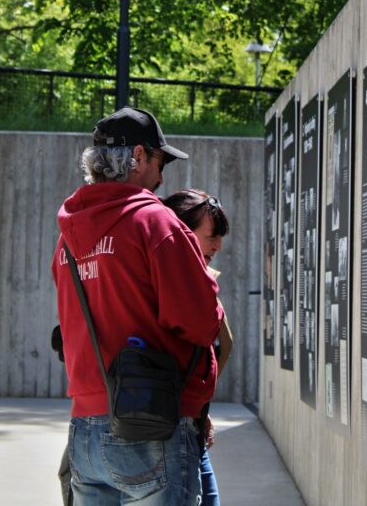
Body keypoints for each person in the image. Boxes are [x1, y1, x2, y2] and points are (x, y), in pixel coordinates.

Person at [52, 107, 224, 506]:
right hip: (153, 427)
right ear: (140, 157)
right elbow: (201, 323)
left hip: (85, 429)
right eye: (160, 162)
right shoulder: (154, 223)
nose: (162, 177)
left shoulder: (67, 239)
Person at [163, 189, 233, 506]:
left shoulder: (203, 279)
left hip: (192, 423)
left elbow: (216, 348)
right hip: (166, 429)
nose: (217, 246)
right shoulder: (166, 285)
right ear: (179, 231)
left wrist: (201, 410)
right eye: (211, 236)